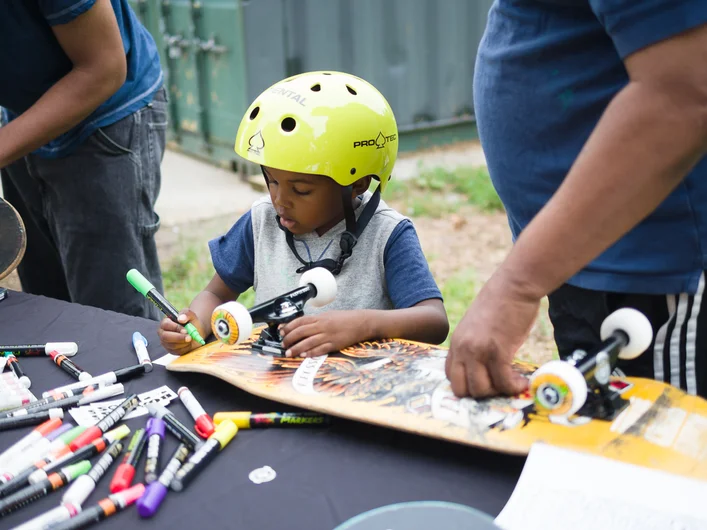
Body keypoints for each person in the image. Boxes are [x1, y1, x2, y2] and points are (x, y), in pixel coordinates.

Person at [445, 0, 707, 400]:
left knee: (654, 452)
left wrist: (516, 285)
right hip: (587, 262)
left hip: (658, 274)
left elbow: (683, 97)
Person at [158, 71, 449, 356]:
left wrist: (362, 324)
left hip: (347, 391)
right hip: (270, 383)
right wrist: (194, 323)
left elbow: (434, 321)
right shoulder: (261, 221)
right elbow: (217, 294)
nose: (280, 199)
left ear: (357, 184)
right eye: (271, 180)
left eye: (301, 190)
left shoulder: (387, 235)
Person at [0, 0, 166, 319]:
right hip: (23, 113)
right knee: (48, 314)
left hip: (103, 116)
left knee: (113, 320)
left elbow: (103, 68)